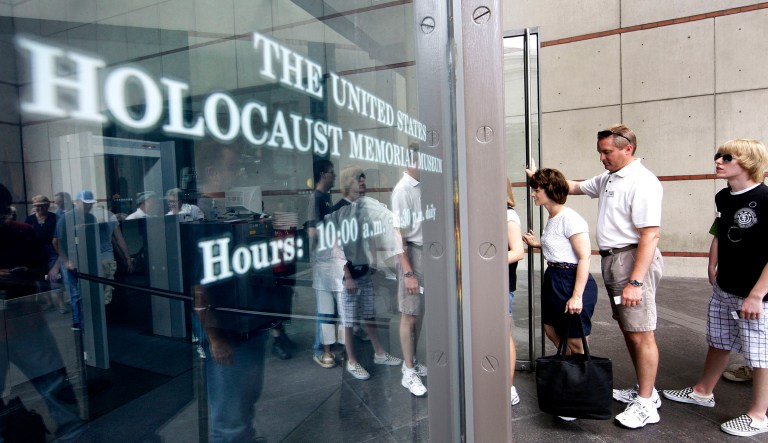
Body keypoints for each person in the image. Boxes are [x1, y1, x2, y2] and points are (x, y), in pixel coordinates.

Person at [530, 124, 664, 428]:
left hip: (631, 260)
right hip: (614, 261)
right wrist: (538, 179)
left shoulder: (642, 181)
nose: (601, 158)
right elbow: (571, 187)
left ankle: (646, 404)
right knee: (631, 329)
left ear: (627, 149)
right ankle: (646, 392)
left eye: (607, 152)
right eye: (600, 152)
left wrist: (635, 281)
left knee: (641, 331)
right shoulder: (608, 178)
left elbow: (651, 235)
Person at [662, 139, 768, 437]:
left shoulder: (766, 199)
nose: (718, 161)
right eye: (717, 156)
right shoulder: (724, 197)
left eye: (727, 157)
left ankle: (759, 415)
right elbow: (721, 231)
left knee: (760, 355)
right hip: (726, 287)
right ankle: (702, 390)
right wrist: (712, 264)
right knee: (719, 341)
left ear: (747, 163)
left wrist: (757, 295)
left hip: (755, 294)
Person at [0, 184, 86, 442]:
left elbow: (41, 267)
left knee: (56, 389)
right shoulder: (23, 231)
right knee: (55, 388)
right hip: (27, 323)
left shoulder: (23, 231)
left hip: (26, 322)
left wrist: (24, 273)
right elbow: (41, 267)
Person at [331, 165, 402, 380]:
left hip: (364, 272)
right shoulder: (339, 210)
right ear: (348, 183)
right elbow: (335, 246)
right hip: (348, 276)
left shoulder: (362, 208)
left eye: (363, 179)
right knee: (349, 321)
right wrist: (348, 276)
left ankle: (379, 352)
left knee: (369, 314)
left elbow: (369, 236)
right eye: (358, 179)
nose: (362, 182)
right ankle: (352, 361)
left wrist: (372, 264)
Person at [392, 144, 428, 396]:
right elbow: (398, 235)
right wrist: (408, 272)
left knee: (420, 312)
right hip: (412, 255)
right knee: (409, 314)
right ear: (412, 162)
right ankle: (408, 371)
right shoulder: (402, 190)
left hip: (427, 254)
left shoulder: (424, 185)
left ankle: (413, 361)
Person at [308, 159, 344, 369]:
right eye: (332, 173)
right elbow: (313, 232)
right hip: (322, 261)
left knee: (329, 307)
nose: (334, 176)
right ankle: (319, 349)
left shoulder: (326, 199)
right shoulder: (316, 199)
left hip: (330, 259)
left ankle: (325, 346)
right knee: (324, 308)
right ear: (323, 174)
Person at [24, 195, 66, 313]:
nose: (40, 208)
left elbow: (59, 238)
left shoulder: (55, 218)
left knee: (55, 277)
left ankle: (61, 303)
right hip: (37, 252)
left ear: (47, 205)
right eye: (37, 206)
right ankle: (49, 302)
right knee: (40, 277)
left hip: (53, 250)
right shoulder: (30, 219)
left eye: (43, 205)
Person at [506, 178, 525, 406]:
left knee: (503, 333)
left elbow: (518, 252)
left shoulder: (508, 215)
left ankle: (509, 386)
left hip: (501, 282)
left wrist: (484, 263)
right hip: (485, 282)